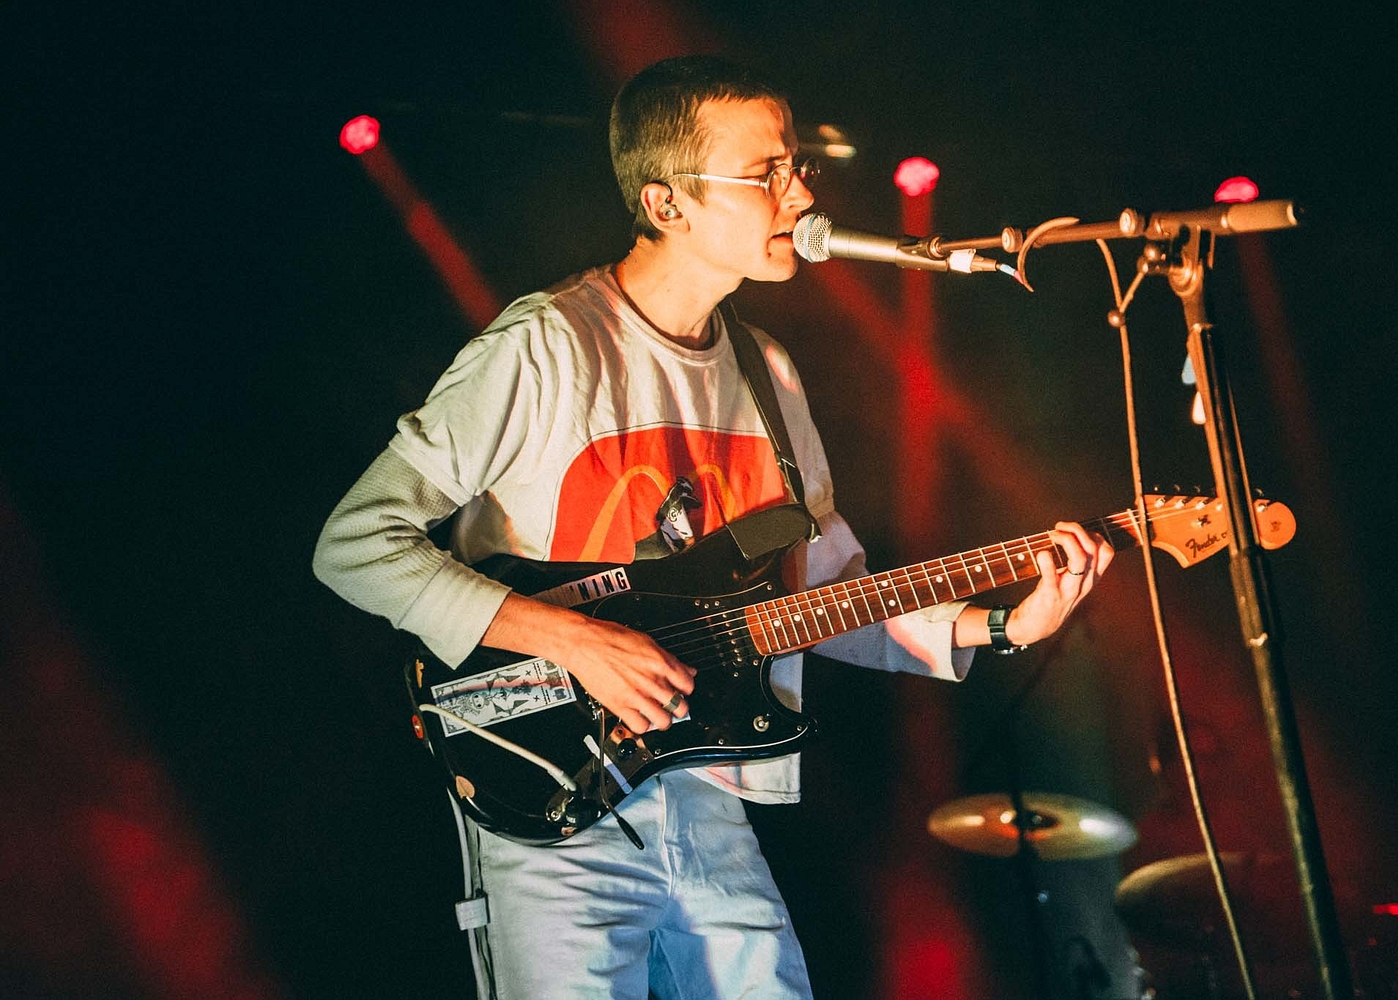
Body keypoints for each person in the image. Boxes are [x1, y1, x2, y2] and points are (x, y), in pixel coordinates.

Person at [313, 54, 1112, 1000]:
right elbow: (355, 546)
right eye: (766, 171)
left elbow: (821, 597)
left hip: (713, 789)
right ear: (668, 204)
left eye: (798, 165)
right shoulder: (547, 347)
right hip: (554, 795)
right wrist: (573, 640)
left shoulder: (766, 373)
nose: (801, 191)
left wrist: (1004, 624)